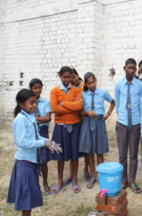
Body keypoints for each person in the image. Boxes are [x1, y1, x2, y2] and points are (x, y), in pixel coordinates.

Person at [7, 89, 62, 216]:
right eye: (31, 103)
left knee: (29, 200)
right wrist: (43, 143)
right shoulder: (20, 119)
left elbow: (35, 138)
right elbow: (22, 142)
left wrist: (49, 141)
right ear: (21, 104)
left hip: (31, 163)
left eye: (35, 102)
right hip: (25, 164)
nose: (34, 105)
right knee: (26, 202)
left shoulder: (29, 117)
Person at [50, 66, 84, 194]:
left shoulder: (76, 90)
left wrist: (63, 104)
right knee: (60, 154)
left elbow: (79, 106)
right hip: (60, 126)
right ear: (60, 76)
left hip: (75, 125)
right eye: (64, 77)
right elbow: (54, 108)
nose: (67, 79)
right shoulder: (54, 91)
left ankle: (74, 180)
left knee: (74, 154)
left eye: (69, 77)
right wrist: (72, 106)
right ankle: (60, 181)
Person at [79, 72, 115, 189]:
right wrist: (86, 113)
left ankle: (101, 175)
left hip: (99, 122)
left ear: (96, 80)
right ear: (86, 84)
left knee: (100, 150)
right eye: (89, 83)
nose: (92, 85)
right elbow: (80, 111)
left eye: (93, 82)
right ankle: (92, 176)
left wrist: (108, 113)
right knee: (89, 150)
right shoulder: (83, 95)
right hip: (88, 122)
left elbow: (112, 101)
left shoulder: (102, 92)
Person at [114, 58, 142, 194]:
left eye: (134, 68)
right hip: (122, 123)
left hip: (136, 123)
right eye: (129, 67)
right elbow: (118, 104)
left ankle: (132, 180)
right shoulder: (119, 85)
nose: (131, 70)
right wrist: (122, 117)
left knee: (133, 154)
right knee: (122, 155)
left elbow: (141, 103)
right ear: (124, 68)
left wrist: (137, 119)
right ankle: (123, 180)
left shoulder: (140, 85)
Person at [29, 79, 53, 195]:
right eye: (35, 88)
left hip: (43, 132)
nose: (38, 90)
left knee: (43, 160)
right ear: (31, 89)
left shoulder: (45, 103)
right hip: (32, 133)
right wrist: (38, 120)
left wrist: (32, 119)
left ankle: (45, 183)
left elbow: (48, 118)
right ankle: (35, 184)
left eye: (39, 88)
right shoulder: (28, 104)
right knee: (33, 159)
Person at [71, 68, 91, 183]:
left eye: (74, 77)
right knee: (75, 146)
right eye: (70, 78)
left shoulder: (85, 86)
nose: (72, 80)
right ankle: (72, 173)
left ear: (77, 75)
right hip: (75, 120)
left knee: (87, 146)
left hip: (85, 119)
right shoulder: (71, 89)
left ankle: (86, 169)